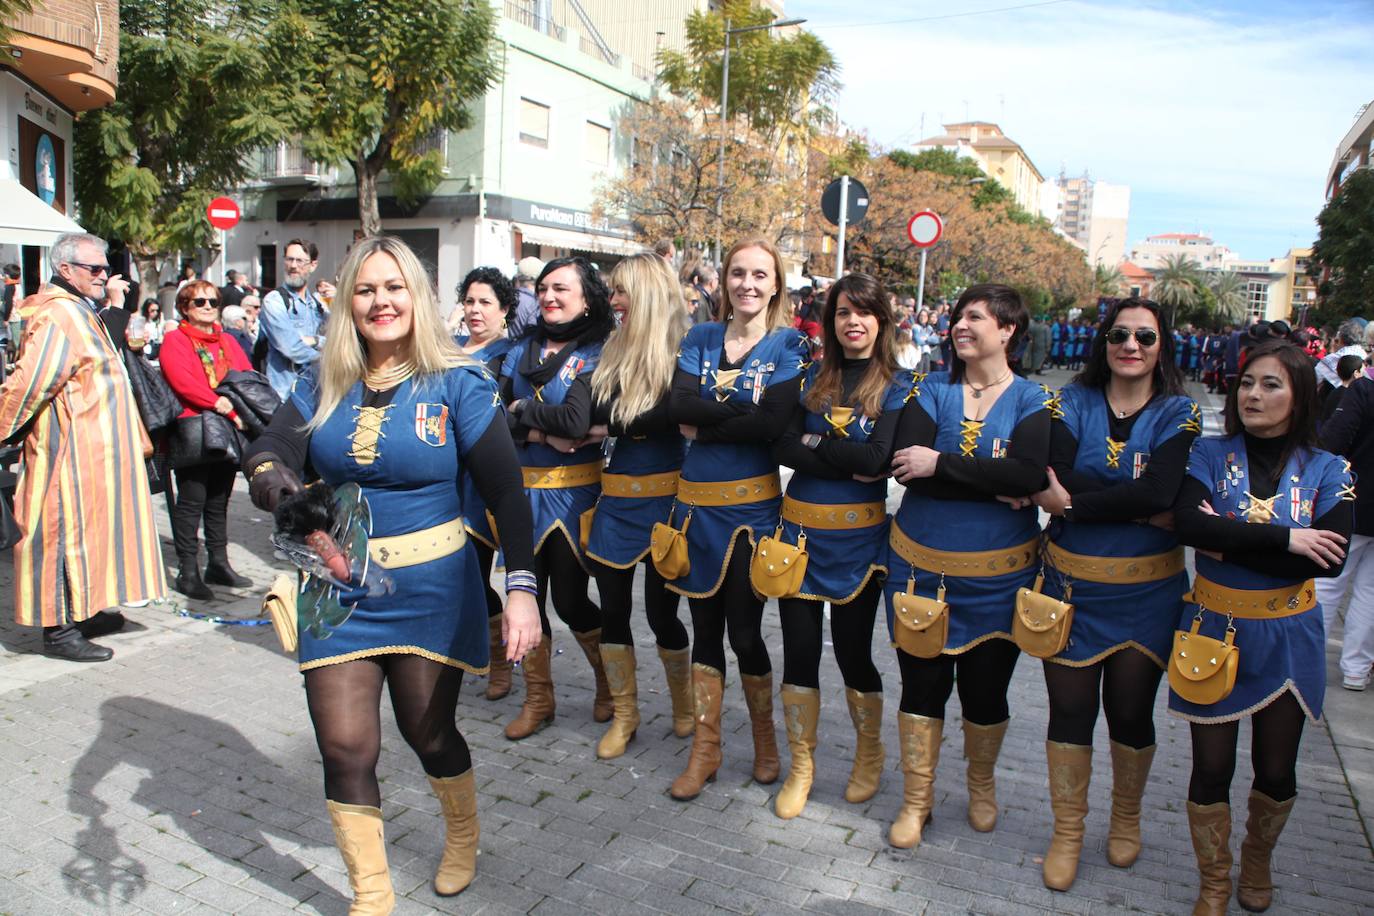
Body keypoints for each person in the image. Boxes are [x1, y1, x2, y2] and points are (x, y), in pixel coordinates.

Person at [243, 235, 541, 909]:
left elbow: (505, 492)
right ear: (349, 299)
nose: (382, 301)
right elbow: (271, 445)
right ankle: (370, 896)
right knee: (345, 747)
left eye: (395, 287)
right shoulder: (326, 378)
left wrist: (520, 591)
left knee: (427, 732)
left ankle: (461, 836)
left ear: (417, 296)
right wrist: (279, 487)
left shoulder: (459, 380)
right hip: (338, 590)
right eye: (367, 289)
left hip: (434, 589)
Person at [1168, 339, 1352, 915]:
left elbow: (1329, 560)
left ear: (1300, 396)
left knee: (1276, 767)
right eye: (1247, 382)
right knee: (1211, 766)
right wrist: (1286, 537)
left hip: (1289, 635)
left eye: (1271, 384)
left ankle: (1256, 861)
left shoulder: (1330, 468)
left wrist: (1230, 538)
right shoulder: (1206, 453)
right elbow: (1187, 527)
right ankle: (1214, 880)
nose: (1252, 393)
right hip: (1210, 628)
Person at [1026, 297, 1199, 890]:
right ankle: (1067, 831)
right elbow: (1059, 470)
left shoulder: (1181, 412)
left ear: (1161, 347)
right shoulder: (1069, 400)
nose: (1131, 345)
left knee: (1129, 711)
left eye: (1145, 337)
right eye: (1119, 334)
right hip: (1071, 586)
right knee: (1069, 710)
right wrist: (1128, 502)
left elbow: (1161, 491)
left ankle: (1126, 817)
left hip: (1147, 595)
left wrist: (1073, 505)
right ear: (1104, 341)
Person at [884, 283, 1051, 849]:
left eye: (975, 317)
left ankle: (981, 784)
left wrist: (943, 465)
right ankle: (917, 798)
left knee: (985, 692)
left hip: (1000, 576)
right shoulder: (928, 386)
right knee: (921, 686)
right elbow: (905, 465)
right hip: (919, 568)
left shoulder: (1034, 399)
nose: (960, 325)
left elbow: (1030, 475)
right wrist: (985, 477)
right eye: (958, 316)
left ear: (1007, 331)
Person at [665, 238, 809, 801]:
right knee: (704, 631)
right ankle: (706, 749)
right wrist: (738, 414)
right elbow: (677, 405)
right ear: (725, 281)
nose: (747, 284)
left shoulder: (788, 344)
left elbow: (772, 426)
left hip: (751, 513)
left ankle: (766, 742)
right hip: (694, 509)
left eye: (760, 275)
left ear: (775, 284)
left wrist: (709, 421)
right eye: (738, 274)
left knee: (745, 632)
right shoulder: (700, 337)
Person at [770, 273, 911, 819]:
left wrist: (816, 442)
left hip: (859, 542)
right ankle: (801, 766)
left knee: (854, 654)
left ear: (882, 320)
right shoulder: (809, 376)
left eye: (864, 312)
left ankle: (868, 755)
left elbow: (877, 462)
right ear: (830, 322)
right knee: (800, 654)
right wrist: (839, 449)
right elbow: (782, 445)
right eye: (843, 312)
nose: (853, 321)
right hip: (798, 536)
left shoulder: (901, 385)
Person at [0, 232, 166, 661]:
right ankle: (58, 632)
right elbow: (30, 385)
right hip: (64, 457)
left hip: (95, 459)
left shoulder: (79, 309)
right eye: (94, 269)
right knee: (56, 538)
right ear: (66, 269)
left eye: (104, 267)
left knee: (90, 537)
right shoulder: (57, 314)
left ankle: (84, 611)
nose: (103, 275)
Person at [499, 257, 616, 740]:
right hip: (521, 494)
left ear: (586, 297)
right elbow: (495, 417)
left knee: (570, 600)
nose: (548, 296)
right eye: (543, 288)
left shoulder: (597, 349)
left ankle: (609, 682)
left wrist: (525, 412)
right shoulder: (520, 349)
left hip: (574, 497)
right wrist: (543, 435)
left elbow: (577, 419)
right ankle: (538, 699)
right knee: (527, 597)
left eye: (561, 288)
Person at [583, 252, 693, 758]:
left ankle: (684, 704)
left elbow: (668, 416)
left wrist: (616, 424)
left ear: (646, 294)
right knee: (614, 612)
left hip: (666, 503)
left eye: (622, 291)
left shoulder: (686, 348)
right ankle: (626, 715)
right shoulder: (612, 347)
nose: (614, 300)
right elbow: (595, 413)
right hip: (616, 499)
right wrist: (622, 421)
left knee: (662, 616)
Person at [159, 281, 255, 600]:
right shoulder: (176, 339)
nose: (208, 307)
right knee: (191, 502)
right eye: (199, 302)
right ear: (185, 307)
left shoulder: (227, 340)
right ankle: (188, 570)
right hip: (195, 429)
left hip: (227, 428)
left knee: (218, 501)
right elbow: (182, 381)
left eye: (213, 301)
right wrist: (218, 403)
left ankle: (218, 563)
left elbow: (244, 375)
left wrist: (236, 406)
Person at [453, 267, 517, 700]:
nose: (475, 311)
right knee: (448, 577)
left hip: (481, 481)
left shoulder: (510, 354)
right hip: (442, 477)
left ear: (504, 309)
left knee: (475, 576)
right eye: (470, 301)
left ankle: (500, 664)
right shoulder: (447, 348)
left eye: (485, 303)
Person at [1319, 368, 1374, 690]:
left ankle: (1309, 655)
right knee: (1370, 592)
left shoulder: (1365, 390)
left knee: (1328, 582)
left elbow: (1333, 441)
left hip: (1353, 503)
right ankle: (1356, 667)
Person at [261, 239, 329, 400]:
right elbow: (291, 348)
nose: (293, 266)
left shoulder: (317, 304)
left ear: (313, 265)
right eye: (289, 259)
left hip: (315, 394)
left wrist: (314, 340)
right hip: (284, 396)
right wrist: (330, 357)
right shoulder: (275, 301)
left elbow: (339, 339)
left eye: (300, 261)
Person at [507, 256, 543, 339]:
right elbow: (533, 330)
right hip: (525, 349)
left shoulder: (508, 299)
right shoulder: (535, 303)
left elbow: (503, 325)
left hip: (508, 347)